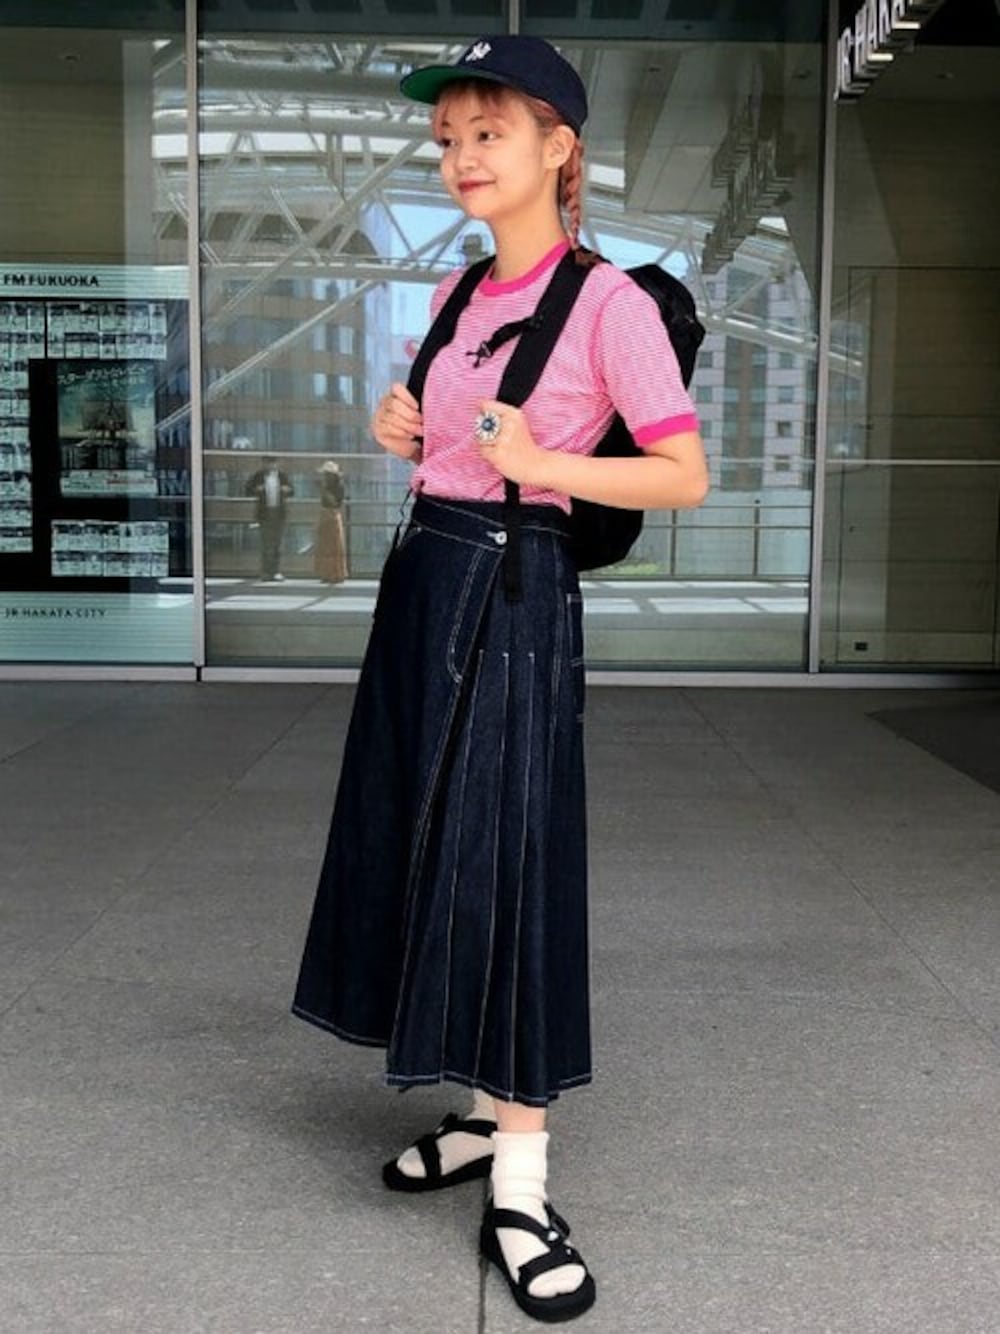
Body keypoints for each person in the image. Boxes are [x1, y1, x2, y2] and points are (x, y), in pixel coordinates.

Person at [292, 35, 708, 1324]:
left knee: (508, 865)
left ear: (557, 146)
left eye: (488, 132)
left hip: (518, 596)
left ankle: (521, 1184)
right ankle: (480, 1111)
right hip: (425, 581)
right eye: (447, 139)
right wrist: (402, 427)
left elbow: (683, 474)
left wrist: (546, 462)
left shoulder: (611, 304)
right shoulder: (459, 293)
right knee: (422, 846)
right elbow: (449, 442)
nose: (461, 157)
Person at [245, 454, 293, 582]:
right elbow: (247, 490)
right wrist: (257, 489)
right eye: (267, 462)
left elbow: (292, 491)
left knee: (277, 544)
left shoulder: (282, 476)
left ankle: (276, 571)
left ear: (276, 464)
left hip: (279, 513)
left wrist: (286, 490)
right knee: (266, 544)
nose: (270, 465)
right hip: (264, 514)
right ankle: (265, 572)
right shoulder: (258, 476)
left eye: (272, 462)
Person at [314, 460, 349, 584]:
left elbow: (335, 502)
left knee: (335, 545)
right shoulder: (327, 485)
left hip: (333, 514)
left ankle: (336, 573)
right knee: (325, 545)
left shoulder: (338, 487)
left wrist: (324, 490)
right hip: (325, 514)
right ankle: (326, 572)